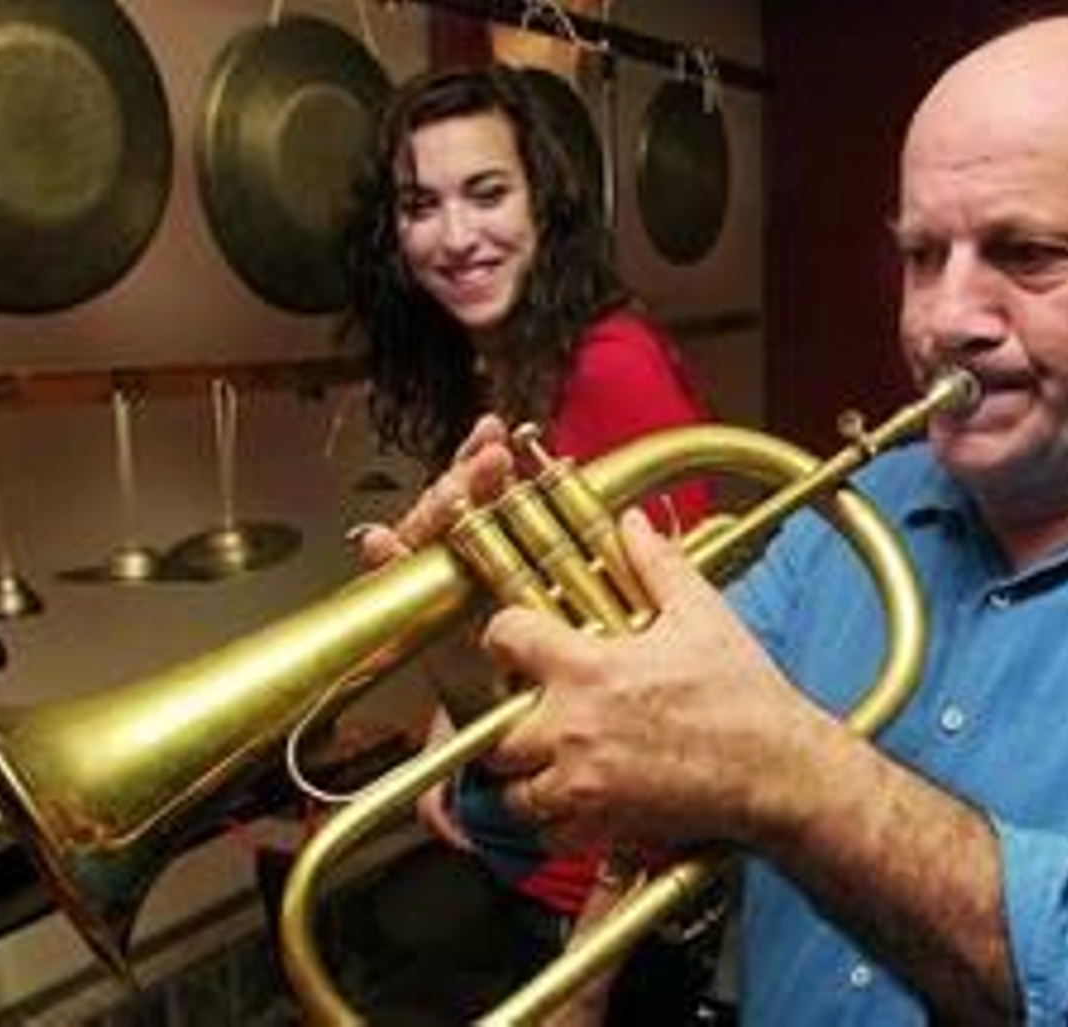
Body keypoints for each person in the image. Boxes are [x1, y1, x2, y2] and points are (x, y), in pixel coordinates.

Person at [374, 12, 1068, 1025]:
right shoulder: (844, 524)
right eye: (919, 255)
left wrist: (798, 783)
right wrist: (484, 673)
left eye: (1028, 255)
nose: (945, 320)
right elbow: (588, 818)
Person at [339, 65, 715, 1022]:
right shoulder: (500, 363)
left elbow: (693, 692)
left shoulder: (610, 367)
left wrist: (586, 974)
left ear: (545, 204)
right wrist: (447, 734)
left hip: (604, 896)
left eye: (488, 192)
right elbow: (521, 594)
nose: (456, 237)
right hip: (529, 839)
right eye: (421, 204)